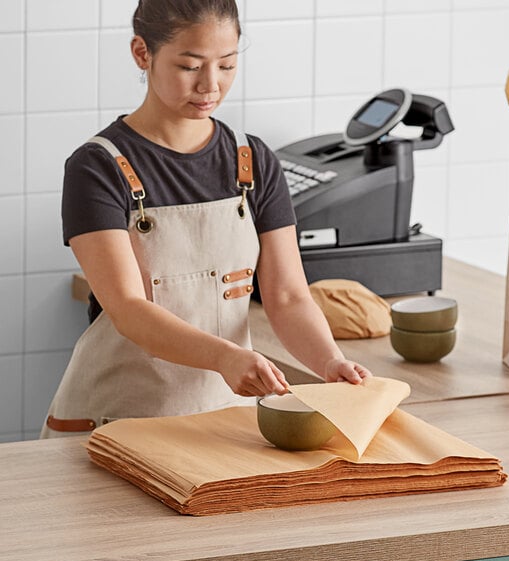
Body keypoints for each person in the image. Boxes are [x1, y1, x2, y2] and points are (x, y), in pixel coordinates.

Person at [40, 0, 371, 438]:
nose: (210, 86)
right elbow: (129, 310)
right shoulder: (97, 167)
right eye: (190, 66)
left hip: (223, 422)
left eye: (227, 65)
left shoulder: (252, 161)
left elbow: (288, 296)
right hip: (113, 423)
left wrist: (328, 361)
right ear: (142, 53)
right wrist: (225, 357)